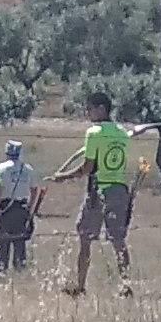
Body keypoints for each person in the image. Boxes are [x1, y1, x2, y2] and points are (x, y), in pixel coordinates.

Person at [51, 92, 137, 297]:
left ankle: (80, 286)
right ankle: (125, 285)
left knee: (85, 237)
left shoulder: (94, 133)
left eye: (89, 108)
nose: (87, 112)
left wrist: (63, 176)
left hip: (98, 191)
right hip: (119, 189)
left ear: (101, 109)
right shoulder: (122, 133)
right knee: (118, 240)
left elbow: (87, 168)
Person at [0, 139, 40, 279]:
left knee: (3, 241)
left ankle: (2, 271)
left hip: (5, 209)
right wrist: (30, 210)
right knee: (20, 242)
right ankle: (20, 272)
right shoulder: (28, 169)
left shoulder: (1, 169)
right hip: (22, 209)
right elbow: (34, 190)